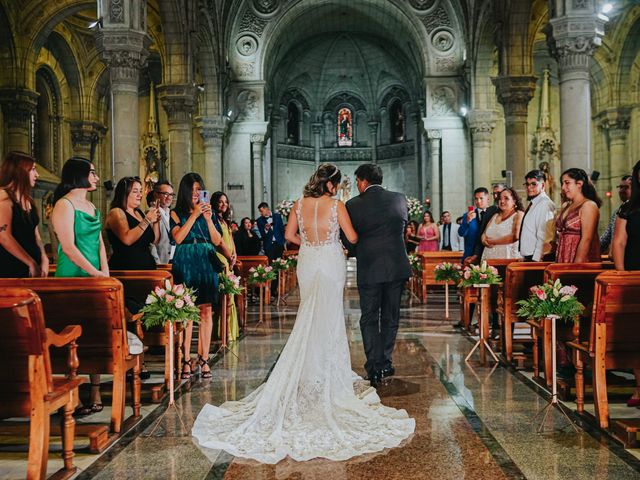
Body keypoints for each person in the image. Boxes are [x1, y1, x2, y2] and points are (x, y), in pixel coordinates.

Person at [192, 163, 414, 463]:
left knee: (309, 317)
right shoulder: (335, 204)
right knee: (329, 319)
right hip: (331, 260)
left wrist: (311, 242)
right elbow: (352, 237)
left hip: (308, 261)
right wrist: (333, 243)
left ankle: (309, 373)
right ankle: (326, 376)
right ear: (332, 185)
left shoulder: (298, 203)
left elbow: (289, 236)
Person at [345, 163, 412, 385]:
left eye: (357, 182)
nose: (357, 185)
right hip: (396, 266)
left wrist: (357, 251)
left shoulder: (353, 204)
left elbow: (350, 239)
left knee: (369, 317)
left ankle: (374, 366)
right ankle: (385, 362)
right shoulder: (399, 199)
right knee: (391, 316)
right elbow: (403, 227)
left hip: (370, 267)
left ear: (363, 181)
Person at [51, 157, 109, 414]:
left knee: (94, 332)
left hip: (95, 273)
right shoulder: (63, 205)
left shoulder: (90, 205)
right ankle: (72, 395)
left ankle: (95, 391)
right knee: (71, 334)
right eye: (92, 173)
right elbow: (68, 246)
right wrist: (93, 272)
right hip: (73, 274)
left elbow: (99, 242)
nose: (96, 177)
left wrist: (105, 272)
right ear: (79, 176)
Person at [170, 173, 222, 379]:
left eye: (198, 189)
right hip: (186, 258)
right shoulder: (176, 213)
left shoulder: (210, 213)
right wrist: (193, 215)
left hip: (206, 259)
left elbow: (217, 240)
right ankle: (185, 358)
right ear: (185, 191)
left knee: (206, 311)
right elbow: (178, 238)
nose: (195, 193)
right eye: (192, 190)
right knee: (187, 311)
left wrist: (208, 219)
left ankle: (204, 358)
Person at [611, 160, 640, 407]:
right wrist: (621, 276)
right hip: (634, 275)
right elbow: (618, 243)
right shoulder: (628, 209)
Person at [0, 152, 48, 278]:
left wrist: (44, 257)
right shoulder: (3, 197)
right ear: (19, 171)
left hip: (32, 267)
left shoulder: (28, 200)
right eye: (32, 169)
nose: (37, 175)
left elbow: (36, 235)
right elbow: (4, 237)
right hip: (11, 268)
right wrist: (30, 262)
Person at [106, 177, 159, 270]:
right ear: (124, 193)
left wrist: (156, 222)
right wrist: (147, 220)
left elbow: (154, 241)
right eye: (135, 191)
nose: (140, 195)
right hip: (126, 269)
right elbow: (127, 239)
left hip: (147, 267)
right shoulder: (116, 212)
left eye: (140, 191)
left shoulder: (139, 213)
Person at [555, 168, 601, 263]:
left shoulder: (588, 205)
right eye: (562, 184)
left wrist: (576, 266)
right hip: (563, 257)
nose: (563, 187)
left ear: (579, 184)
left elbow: (587, 239)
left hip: (580, 260)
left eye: (567, 183)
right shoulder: (566, 206)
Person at [211, 191, 239, 342]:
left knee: (230, 297)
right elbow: (218, 241)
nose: (223, 204)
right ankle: (222, 332)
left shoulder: (225, 221)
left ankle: (230, 331)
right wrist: (229, 256)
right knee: (224, 297)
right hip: (221, 258)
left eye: (226, 202)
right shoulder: (213, 219)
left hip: (230, 258)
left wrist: (234, 255)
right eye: (220, 202)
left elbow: (230, 239)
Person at [518, 169, 556, 261]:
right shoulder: (534, 203)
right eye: (527, 184)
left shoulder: (545, 204)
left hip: (536, 258)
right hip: (529, 257)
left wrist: (536, 260)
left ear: (542, 185)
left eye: (533, 184)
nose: (529, 187)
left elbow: (543, 235)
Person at [481, 187, 524, 260]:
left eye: (506, 198)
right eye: (500, 198)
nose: (502, 201)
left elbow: (515, 236)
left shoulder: (518, 214)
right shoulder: (495, 215)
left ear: (514, 201)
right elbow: (484, 233)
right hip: (488, 258)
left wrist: (493, 241)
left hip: (508, 259)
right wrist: (483, 240)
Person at [458, 187, 497, 264]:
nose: (478, 201)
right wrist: (467, 221)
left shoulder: (495, 214)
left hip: (489, 253)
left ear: (488, 199)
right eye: (476, 199)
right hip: (470, 255)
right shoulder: (467, 215)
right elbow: (461, 233)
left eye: (481, 198)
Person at [600, 174, 632, 255]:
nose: (622, 190)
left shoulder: (636, 211)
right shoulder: (617, 212)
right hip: (615, 258)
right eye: (620, 187)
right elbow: (606, 237)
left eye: (626, 187)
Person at [150, 180, 175, 264]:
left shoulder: (172, 213)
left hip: (174, 261)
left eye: (171, 194)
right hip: (161, 261)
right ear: (156, 194)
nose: (169, 197)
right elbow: (151, 243)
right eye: (165, 194)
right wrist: (157, 264)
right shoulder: (151, 213)